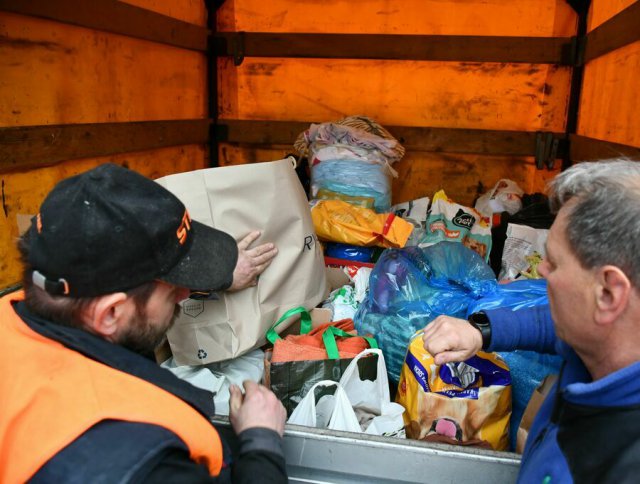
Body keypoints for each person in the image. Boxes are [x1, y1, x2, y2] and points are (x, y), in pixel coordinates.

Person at [0, 163, 287, 483]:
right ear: (109, 314)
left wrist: (212, 276)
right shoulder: (143, 459)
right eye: (172, 290)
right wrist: (262, 445)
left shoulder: (22, 312)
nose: (186, 294)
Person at [422, 159, 640, 483]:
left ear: (608, 293)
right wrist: (480, 332)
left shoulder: (619, 464)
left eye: (554, 262)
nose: (541, 272)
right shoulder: (600, 342)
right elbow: (549, 324)